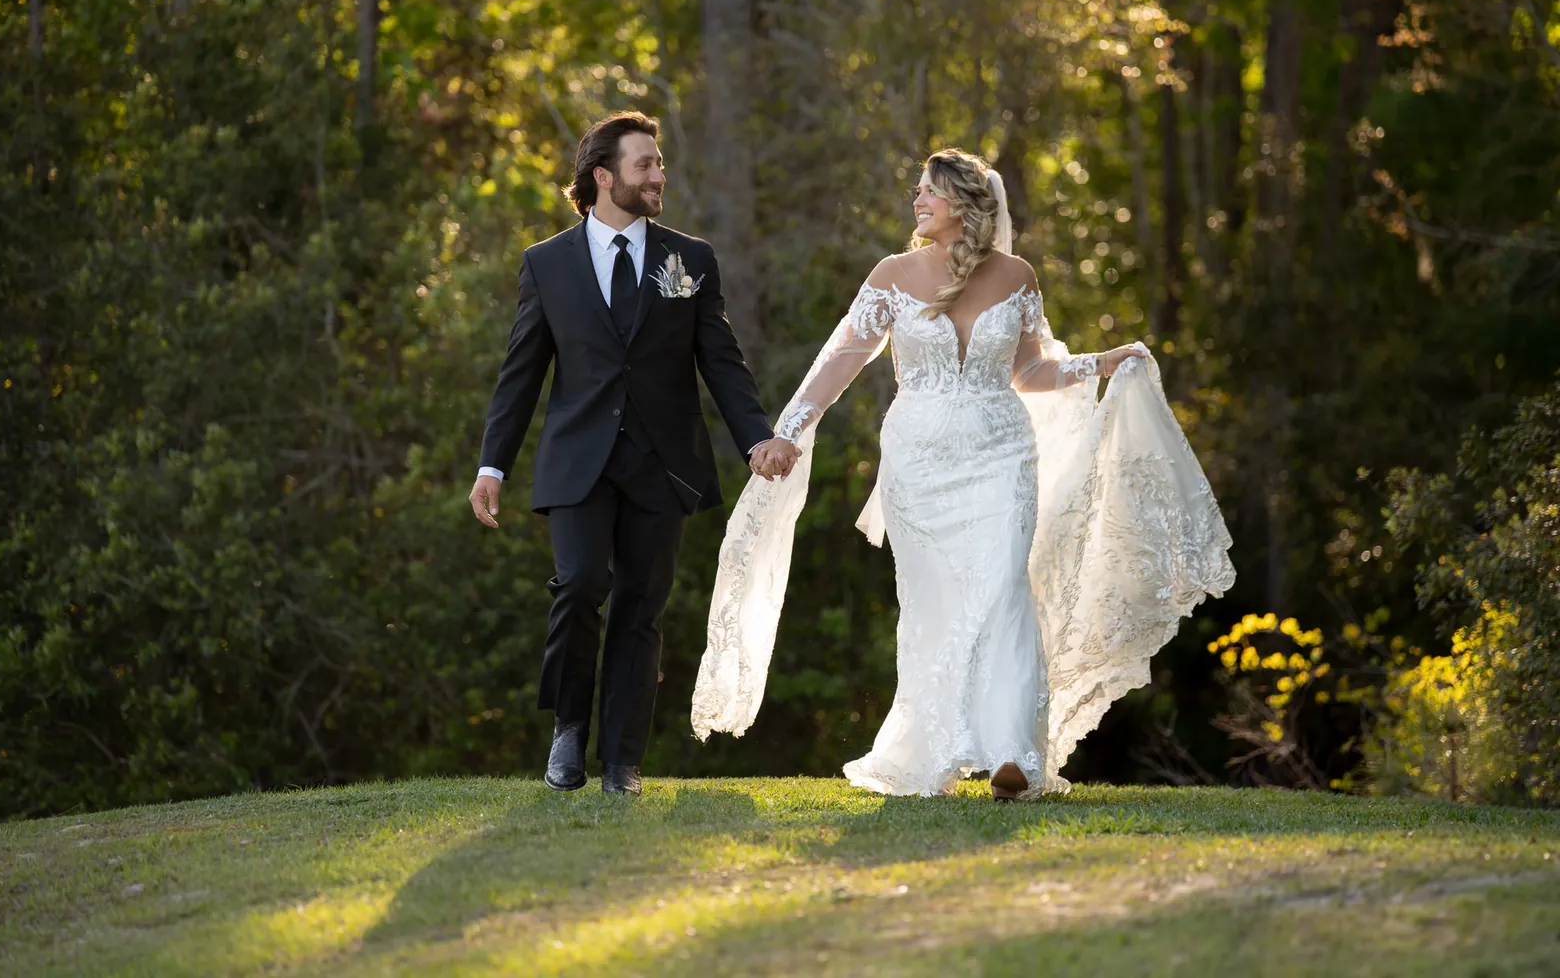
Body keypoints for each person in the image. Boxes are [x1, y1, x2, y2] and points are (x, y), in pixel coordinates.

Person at [691, 148, 1235, 799]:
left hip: (1003, 457)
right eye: (918, 191)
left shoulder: (1016, 276)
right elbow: (842, 359)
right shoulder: (893, 274)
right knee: (933, 606)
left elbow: (1030, 372)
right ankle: (935, 750)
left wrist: (1102, 362)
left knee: (1007, 589)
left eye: (930, 192)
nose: (917, 201)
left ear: (967, 204)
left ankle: (1013, 757)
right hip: (919, 465)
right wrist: (789, 430)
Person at [470, 111, 801, 796]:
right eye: (645, 164)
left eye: (659, 164)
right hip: (578, 460)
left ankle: (623, 762)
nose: (659, 174)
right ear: (603, 176)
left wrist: (755, 438)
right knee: (580, 582)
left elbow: (722, 361)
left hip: (663, 460)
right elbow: (521, 372)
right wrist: (492, 464)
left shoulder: (691, 260)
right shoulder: (547, 263)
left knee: (640, 609)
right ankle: (568, 729)